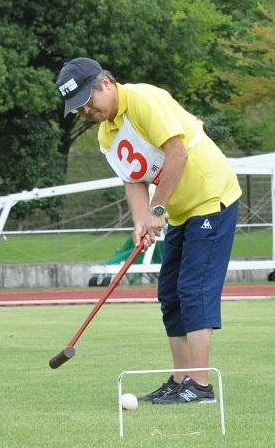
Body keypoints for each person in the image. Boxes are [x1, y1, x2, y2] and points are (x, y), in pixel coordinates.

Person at [56, 57, 241, 404]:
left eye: (88, 102)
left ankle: (200, 386)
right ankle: (180, 379)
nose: (86, 112)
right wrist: (141, 222)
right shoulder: (106, 134)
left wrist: (157, 210)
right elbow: (133, 179)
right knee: (169, 293)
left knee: (194, 289)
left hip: (212, 196)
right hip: (180, 209)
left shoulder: (144, 100)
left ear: (106, 84)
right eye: (78, 109)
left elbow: (178, 154)